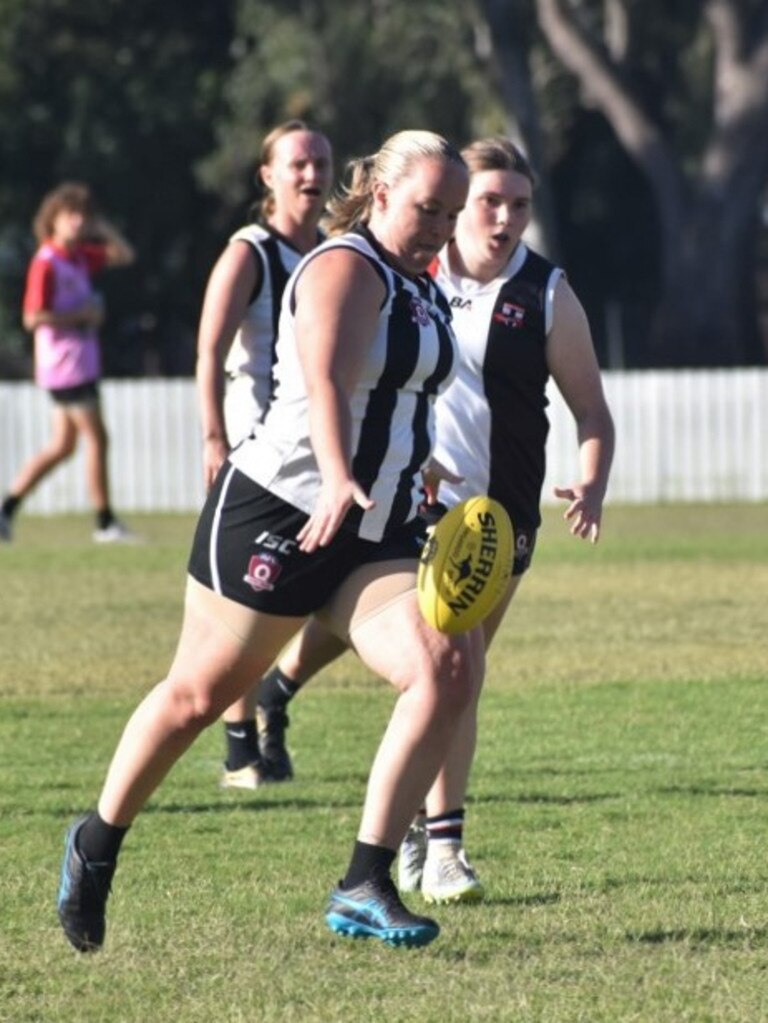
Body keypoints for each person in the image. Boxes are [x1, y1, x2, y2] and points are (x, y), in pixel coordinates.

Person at [57, 129, 479, 953]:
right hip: (282, 509)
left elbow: (394, 393)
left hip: (371, 525)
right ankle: (97, 840)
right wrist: (334, 471)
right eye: (430, 207)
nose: (442, 225)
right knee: (194, 699)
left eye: (452, 212)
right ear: (380, 192)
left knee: (443, 667)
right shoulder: (344, 267)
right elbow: (322, 378)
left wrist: (417, 463)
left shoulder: (420, 285)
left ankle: (365, 879)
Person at [249, 136, 615, 903]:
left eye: (519, 204)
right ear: (450, 203)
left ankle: (295, 703)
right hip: (410, 501)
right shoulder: (407, 275)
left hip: (499, 519)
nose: (505, 217)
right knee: (451, 666)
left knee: (454, 673)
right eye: (489, 200)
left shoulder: (547, 293)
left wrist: (591, 482)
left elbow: (593, 414)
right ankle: (441, 847)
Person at [194, 120, 334, 790]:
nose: (312, 174)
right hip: (256, 455)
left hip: (319, 457)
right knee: (248, 597)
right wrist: (214, 437)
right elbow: (209, 351)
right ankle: (240, 743)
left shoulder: (337, 251)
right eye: (298, 163)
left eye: (321, 163)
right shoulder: (250, 252)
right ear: (268, 177)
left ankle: (276, 696)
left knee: (326, 593)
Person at [0, 182, 136, 543]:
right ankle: (105, 522)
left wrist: (101, 225)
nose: (78, 222)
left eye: (83, 216)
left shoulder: (78, 258)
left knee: (62, 445)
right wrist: (80, 316)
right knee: (98, 437)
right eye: (70, 215)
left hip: (82, 361)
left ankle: (6, 510)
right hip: (64, 365)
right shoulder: (46, 262)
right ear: (53, 220)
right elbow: (33, 317)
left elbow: (123, 255)